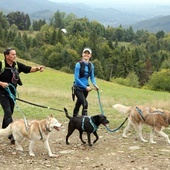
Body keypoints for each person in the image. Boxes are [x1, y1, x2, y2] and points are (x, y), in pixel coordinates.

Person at [0, 47, 45, 144]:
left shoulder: (16, 65)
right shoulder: (1, 65)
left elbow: (28, 69)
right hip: (1, 93)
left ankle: (4, 130)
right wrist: (1, 83)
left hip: (12, 93)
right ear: (6, 56)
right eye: (12, 54)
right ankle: (12, 136)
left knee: (9, 113)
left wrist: (37, 68)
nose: (15, 56)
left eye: (15, 54)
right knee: (8, 112)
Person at [73, 47, 98, 117]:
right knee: (85, 103)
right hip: (78, 88)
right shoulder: (78, 64)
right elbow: (76, 79)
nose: (86, 55)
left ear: (90, 55)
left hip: (86, 89)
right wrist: (86, 87)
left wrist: (95, 85)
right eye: (85, 53)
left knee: (78, 103)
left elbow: (92, 77)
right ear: (82, 54)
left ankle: (74, 118)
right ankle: (84, 120)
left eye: (88, 53)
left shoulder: (91, 65)